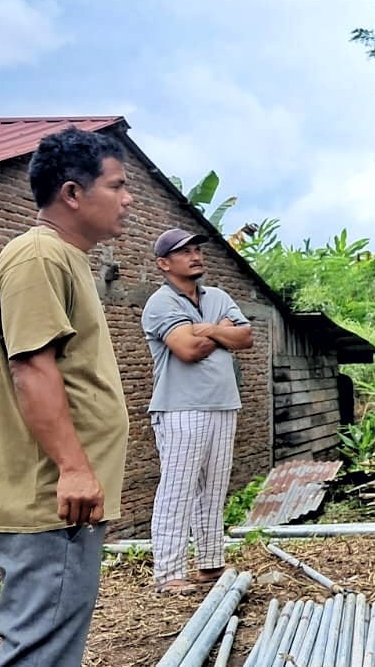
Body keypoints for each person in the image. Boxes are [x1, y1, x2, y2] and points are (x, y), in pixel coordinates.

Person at [0, 127, 133, 667]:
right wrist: (73, 467)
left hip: (54, 496)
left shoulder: (61, 258)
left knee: (51, 644)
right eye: (117, 185)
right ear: (72, 193)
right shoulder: (38, 258)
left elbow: (19, 368)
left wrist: (1, 448)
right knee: (41, 652)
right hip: (53, 503)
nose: (129, 199)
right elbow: (32, 369)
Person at [142, 228, 254, 594]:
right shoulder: (161, 303)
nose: (195, 255)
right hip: (180, 408)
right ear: (164, 263)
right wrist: (221, 330)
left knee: (214, 489)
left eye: (196, 249)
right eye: (184, 251)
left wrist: (206, 329)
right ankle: (169, 573)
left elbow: (246, 337)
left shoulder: (218, 296)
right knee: (178, 490)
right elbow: (187, 350)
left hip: (224, 403)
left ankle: (210, 564)